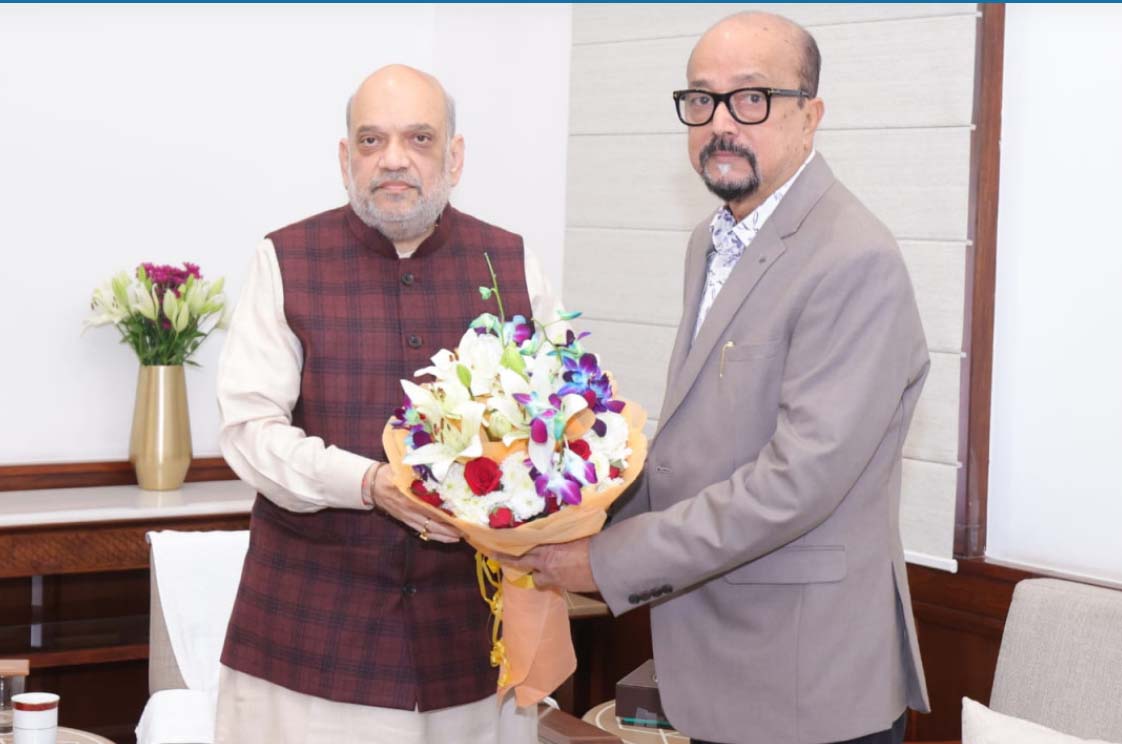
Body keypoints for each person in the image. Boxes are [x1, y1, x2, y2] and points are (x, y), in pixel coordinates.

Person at [505, 12, 931, 744]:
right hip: (720, 667)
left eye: (751, 97)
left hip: (807, 684)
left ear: (811, 116)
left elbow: (795, 484)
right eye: (701, 99)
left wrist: (604, 560)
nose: (721, 123)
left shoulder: (855, 258)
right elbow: (697, 446)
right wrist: (550, 514)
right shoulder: (712, 239)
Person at [213, 65, 561, 744]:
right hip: (310, 650)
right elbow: (250, 432)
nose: (393, 159)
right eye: (372, 141)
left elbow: (558, 422)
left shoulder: (512, 262)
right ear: (347, 158)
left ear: (454, 157)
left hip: (472, 646)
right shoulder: (285, 258)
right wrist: (367, 483)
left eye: (418, 138)